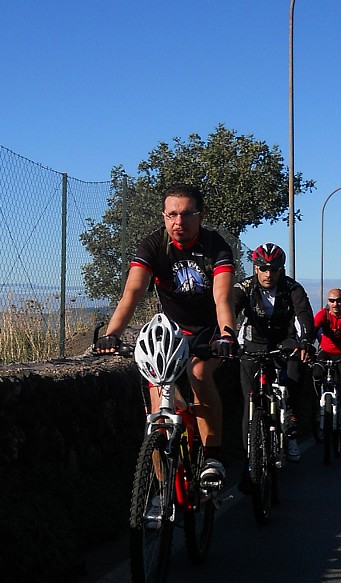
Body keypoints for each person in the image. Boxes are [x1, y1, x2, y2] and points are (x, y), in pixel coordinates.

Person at [94, 183, 237, 486]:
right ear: (163, 215)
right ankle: (161, 489)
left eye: (186, 214)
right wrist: (111, 335)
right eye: (171, 215)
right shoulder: (153, 245)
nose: (178, 222)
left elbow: (223, 298)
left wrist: (227, 336)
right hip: (172, 332)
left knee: (199, 373)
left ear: (200, 216)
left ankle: (212, 457)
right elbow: (131, 293)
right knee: (160, 409)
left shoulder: (216, 246)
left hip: (210, 331)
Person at [233, 242, 314, 482]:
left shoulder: (292, 288)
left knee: (295, 367)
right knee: (250, 403)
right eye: (263, 268)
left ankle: (290, 422)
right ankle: (250, 458)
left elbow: (304, 315)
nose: (269, 274)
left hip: (284, 341)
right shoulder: (244, 287)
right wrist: (223, 335)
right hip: (252, 344)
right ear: (255, 267)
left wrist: (307, 341)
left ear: (282, 269)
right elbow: (230, 308)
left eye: (275, 269)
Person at [313, 288, 341, 441]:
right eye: (331, 300)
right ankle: (318, 410)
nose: (335, 304)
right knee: (316, 374)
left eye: (338, 300)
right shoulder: (322, 315)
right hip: (326, 351)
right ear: (327, 302)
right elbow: (313, 330)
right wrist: (306, 346)